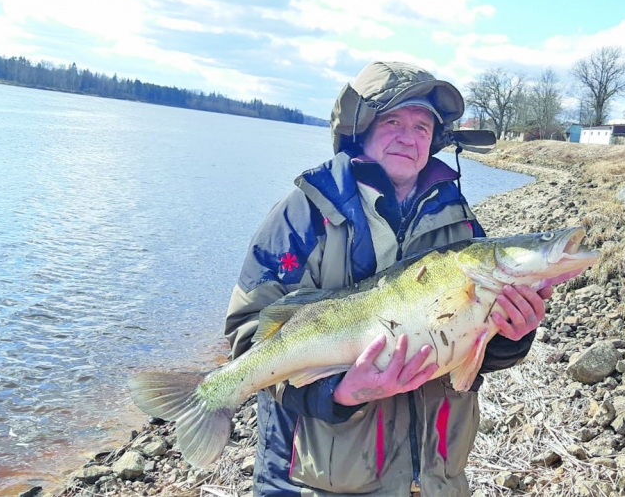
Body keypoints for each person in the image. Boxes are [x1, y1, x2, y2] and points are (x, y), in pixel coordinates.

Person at [224, 61, 553, 496]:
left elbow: (471, 355)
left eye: (422, 127)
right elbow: (249, 335)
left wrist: (511, 334)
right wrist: (340, 391)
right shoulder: (303, 213)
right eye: (392, 121)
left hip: (436, 482)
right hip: (314, 484)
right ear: (360, 129)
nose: (408, 137)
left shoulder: (460, 221)